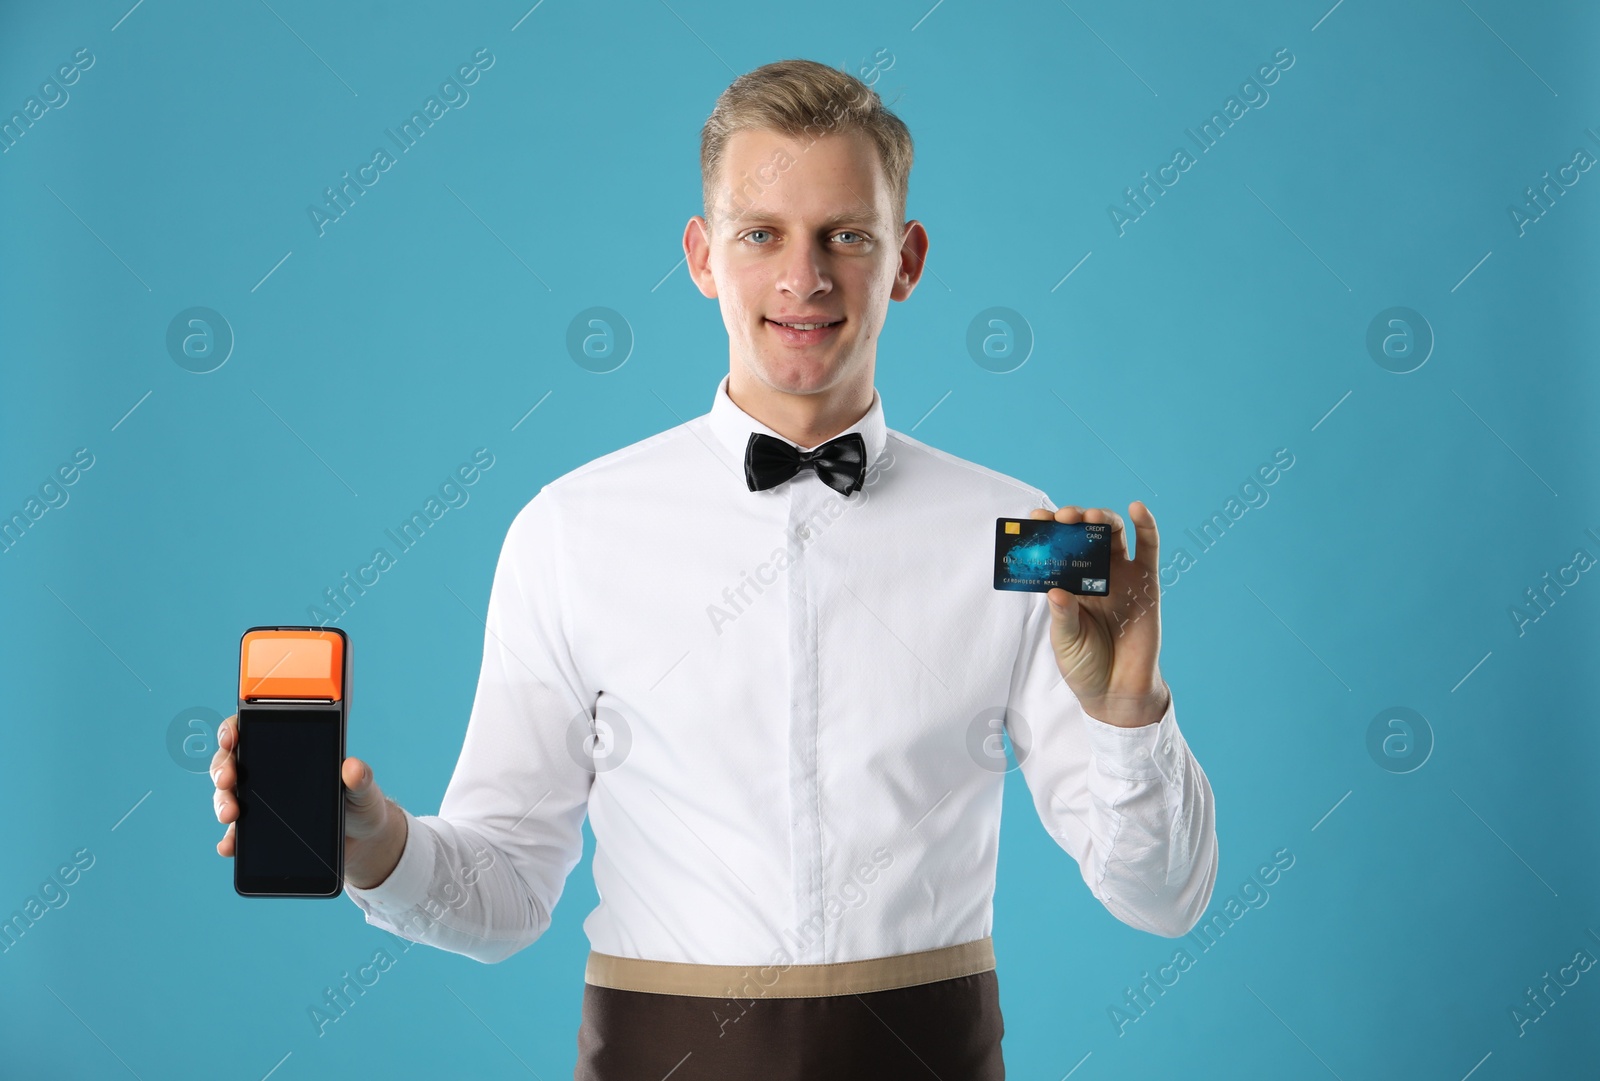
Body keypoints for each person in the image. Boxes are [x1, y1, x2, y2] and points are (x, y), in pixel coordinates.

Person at [211, 57, 1217, 1079]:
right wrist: (370, 840)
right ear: (700, 255)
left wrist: (1130, 711)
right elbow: (506, 895)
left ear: (905, 259)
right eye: (761, 234)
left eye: (846, 236)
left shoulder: (1019, 532)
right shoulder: (570, 529)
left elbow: (1161, 897)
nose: (804, 278)